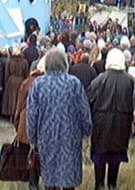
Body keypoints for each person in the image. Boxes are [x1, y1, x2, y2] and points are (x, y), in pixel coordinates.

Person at [27, 49, 92, 190]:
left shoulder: (38, 85)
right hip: (71, 137)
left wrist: (32, 138)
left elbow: (32, 114)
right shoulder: (74, 83)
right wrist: (87, 130)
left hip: (46, 137)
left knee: (50, 177)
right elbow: (84, 111)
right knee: (69, 177)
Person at [88, 48, 134, 190]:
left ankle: (99, 184)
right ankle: (112, 184)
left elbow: (88, 101)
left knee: (100, 156)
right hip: (122, 123)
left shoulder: (98, 80)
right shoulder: (130, 81)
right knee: (116, 156)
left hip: (100, 123)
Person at [14, 55, 47, 190]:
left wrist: (17, 124)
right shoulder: (50, 83)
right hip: (45, 124)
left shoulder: (27, 83)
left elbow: (19, 106)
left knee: (32, 154)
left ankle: (33, 185)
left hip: (27, 122)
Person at [2, 47, 28, 120]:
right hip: (21, 81)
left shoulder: (9, 61)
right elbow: (26, 73)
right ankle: (17, 115)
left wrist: (6, 81)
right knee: (18, 99)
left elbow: (7, 73)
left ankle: (10, 115)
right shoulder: (24, 61)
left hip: (11, 81)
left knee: (11, 98)